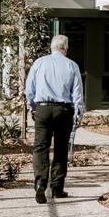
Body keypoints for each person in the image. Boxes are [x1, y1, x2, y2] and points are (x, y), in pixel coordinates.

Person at [26, 35, 84, 204]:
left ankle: (40, 185)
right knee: (60, 149)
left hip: (42, 109)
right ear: (66, 48)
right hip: (63, 110)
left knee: (40, 148)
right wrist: (78, 114)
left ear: (51, 48)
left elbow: (30, 89)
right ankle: (57, 188)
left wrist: (32, 107)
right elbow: (77, 95)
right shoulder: (72, 65)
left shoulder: (39, 63)